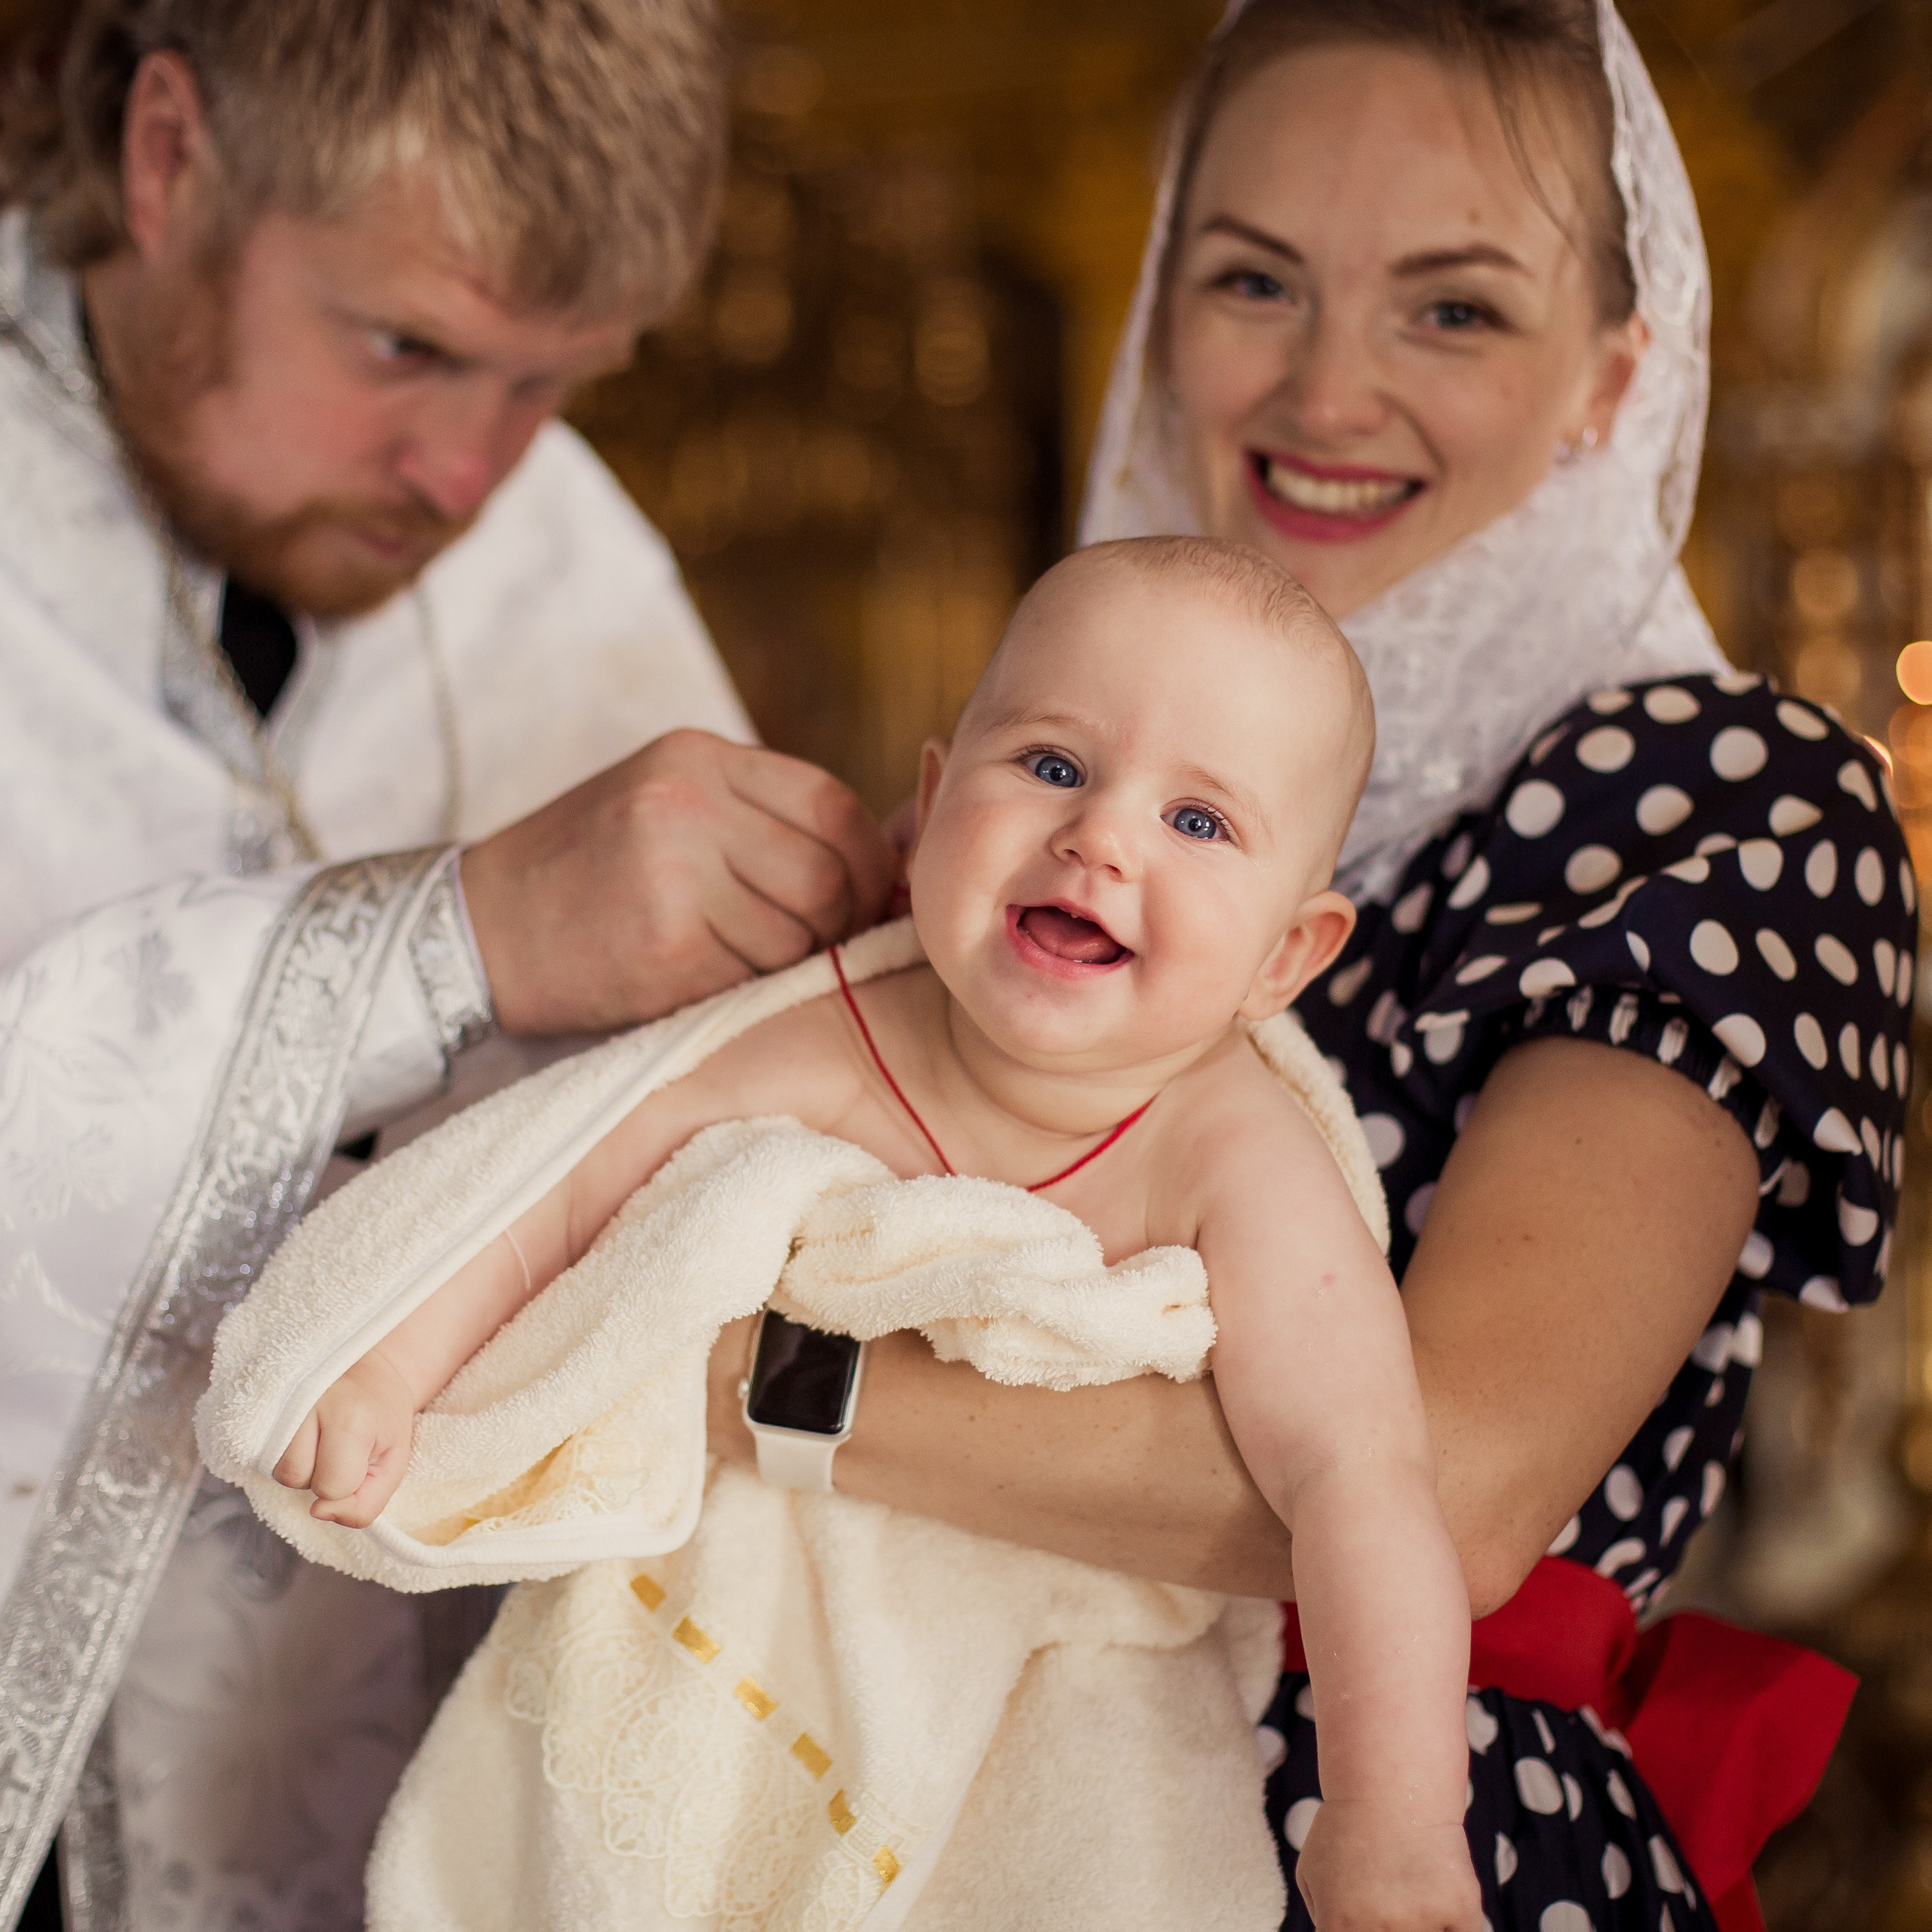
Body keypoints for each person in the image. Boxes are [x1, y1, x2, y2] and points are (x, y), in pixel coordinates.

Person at [695, 5, 1915, 1930]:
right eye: (1253, 279)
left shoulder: (1720, 799)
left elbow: (1453, 1484)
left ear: (1613, 372)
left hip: (1381, 1832)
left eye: (1452, 307)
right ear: (1157, 309)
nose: (1327, 388)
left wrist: (712, 1379)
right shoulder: (1058, 771)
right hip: (937, 1796)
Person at [248, 534, 1477, 1932]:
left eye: (1199, 823)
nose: (1101, 837)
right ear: (935, 805)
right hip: (727, 1654)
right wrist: (387, 1365)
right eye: (1054, 765)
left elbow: (1358, 1477)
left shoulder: (1232, 1156)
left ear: (1286, 958)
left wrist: (1392, 1820)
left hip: (1056, 1712)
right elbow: (569, 1185)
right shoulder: (835, 1031)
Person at [0, 4, 891, 1927]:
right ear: (168, 155)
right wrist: (458, 938)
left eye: (551, 381)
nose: (467, 473)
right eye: (402, 346)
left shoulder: (552, 554)